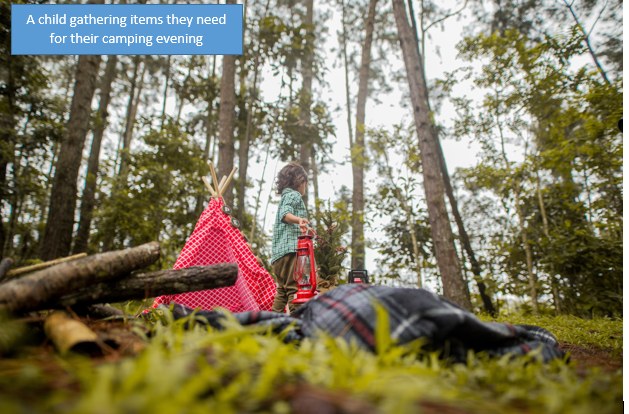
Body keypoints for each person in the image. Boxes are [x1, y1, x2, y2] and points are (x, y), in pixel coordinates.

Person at [270, 162, 309, 313]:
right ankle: (295, 321)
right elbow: (285, 215)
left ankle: (273, 322)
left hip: (278, 256)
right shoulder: (294, 195)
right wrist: (299, 220)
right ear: (300, 182)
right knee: (294, 288)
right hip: (291, 251)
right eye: (305, 183)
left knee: (282, 291)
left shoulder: (284, 197)